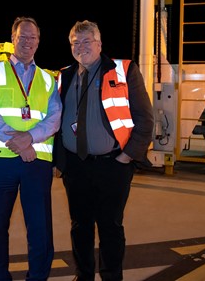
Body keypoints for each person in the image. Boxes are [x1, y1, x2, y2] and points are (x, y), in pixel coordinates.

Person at [53, 20, 154, 281]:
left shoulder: (124, 70)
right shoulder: (64, 75)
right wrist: (60, 160)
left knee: (110, 226)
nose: (81, 47)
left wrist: (127, 155)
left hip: (113, 164)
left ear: (99, 44)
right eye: (75, 43)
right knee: (80, 226)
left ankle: (111, 277)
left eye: (87, 41)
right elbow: (55, 121)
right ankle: (83, 275)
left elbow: (145, 118)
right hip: (76, 165)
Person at [0, 16, 62, 281]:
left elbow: (55, 117)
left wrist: (30, 139)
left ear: (39, 42)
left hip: (36, 162)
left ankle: (37, 277)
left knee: (40, 228)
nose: (27, 42)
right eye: (22, 36)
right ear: (13, 39)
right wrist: (17, 143)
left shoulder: (48, 80)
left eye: (32, 37)